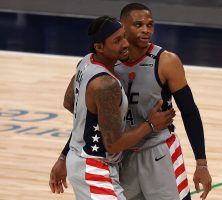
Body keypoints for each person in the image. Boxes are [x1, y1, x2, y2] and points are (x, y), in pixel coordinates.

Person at [50, 3, 212, 200]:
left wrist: (201, 163)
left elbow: (190, 112)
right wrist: (64, 156)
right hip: (122, 155)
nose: (146, 30)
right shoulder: (106, 64)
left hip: (158, 152)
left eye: (150, 25)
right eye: (138, 25)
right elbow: (87, 117)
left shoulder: (166, 61)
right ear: (122, 27)